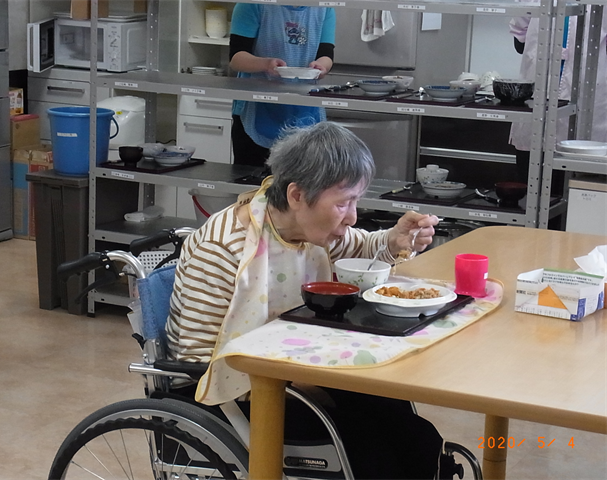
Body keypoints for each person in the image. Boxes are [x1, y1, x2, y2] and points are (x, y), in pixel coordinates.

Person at [165, 121, 444, 479]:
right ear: (296, 195)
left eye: (356, 201)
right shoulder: (224, 249)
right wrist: (301, 384)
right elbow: (199, 359)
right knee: (365, 445)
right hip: (231, 395)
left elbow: (359, 245)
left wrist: (394, 240)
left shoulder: (308, 229)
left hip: (298, 376)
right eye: (344, 203)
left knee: (410, 431)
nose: (353, 216)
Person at [228, 3, 336, 166]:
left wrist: (321, 66)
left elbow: (326, 54)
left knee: (302, 187)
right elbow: (236, 58)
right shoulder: (252, 5)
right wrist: (266, 64)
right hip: (257, 108)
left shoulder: (323, 8)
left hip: (304, 110)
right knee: (253, 187)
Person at [509, 10, 607, 183]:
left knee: (584, 191)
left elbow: (519, 40)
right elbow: (520, 40)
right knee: (531, 189)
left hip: (588, 102)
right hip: (538, 99)